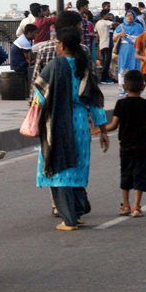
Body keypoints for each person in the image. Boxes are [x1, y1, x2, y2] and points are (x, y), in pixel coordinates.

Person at [32, 24, 108, 231]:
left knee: (59, 168)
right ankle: (78, 211)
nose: (56, 46)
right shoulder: (83, 66)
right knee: (76, 167)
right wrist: (103, 130)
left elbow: (38, 95)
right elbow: (95, 102)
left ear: (62, 45)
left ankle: (69, 219)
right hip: (81, 123)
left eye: (57, 43)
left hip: (58, 123)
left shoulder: (55, 66)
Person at [102, 70, 146, 217]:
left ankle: (125, 204)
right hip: (141, 146)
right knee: (140, 174)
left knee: (126, 174)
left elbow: (113, 125)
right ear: (143, 87)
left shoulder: (120, 104)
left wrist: (98, 130)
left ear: (124, 87)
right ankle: (136, 206)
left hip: (125, 146)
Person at [113, 10, 143, 83]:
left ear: (134, 17)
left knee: (136, 68)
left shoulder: (139, 26)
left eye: (131, 15)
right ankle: (123, 88)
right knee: (124, 68)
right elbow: (114, 38)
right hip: (124, 51)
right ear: (125, 17)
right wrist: (119, 34)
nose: (129, 17)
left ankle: (136, 88)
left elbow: (143, 38)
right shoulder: (121, 26)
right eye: (127, 15)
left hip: (136, 51)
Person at [95, 10, 115, 83]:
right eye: (108, 14)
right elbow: (113, 23)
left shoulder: (98, 23)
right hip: (107, 44)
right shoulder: (105, 22)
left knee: (104, 62)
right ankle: (104, 78)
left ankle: (105, 77)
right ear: (104, 15)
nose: (109, 16)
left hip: (101, 44)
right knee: (107, 62)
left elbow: (96, 33)